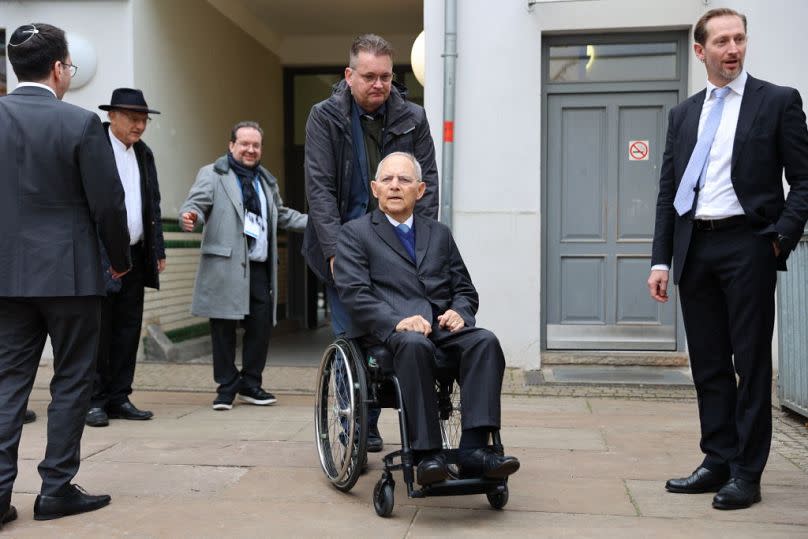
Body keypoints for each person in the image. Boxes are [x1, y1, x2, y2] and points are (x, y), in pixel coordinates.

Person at [648, 8, 808, 510]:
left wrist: (780, 236)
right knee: (710, 364)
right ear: (701, 51)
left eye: (739, 39)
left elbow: (803, 180)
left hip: (749, 245)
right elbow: (669, 189)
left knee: (751, 363)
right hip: (695, 247)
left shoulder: (778, 102)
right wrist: (660, 259)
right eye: (721, 41)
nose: (732, 48)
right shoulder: (684, 114)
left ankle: (747, 472)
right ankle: (716, 458)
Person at [0, 23, 131, 526]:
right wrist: (118, 260)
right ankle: (55, 489)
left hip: (7, 276)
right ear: (59, 69)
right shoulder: (78, 124)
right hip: (71, 276)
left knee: (8, 382)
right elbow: (108, 204)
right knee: (73, 379)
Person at [335, 152, 520, 485]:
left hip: (439, 330)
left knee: (484, 342)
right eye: (388, 180)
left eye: (404, 180)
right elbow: (354, 294)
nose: (395, 186)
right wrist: (397, 321)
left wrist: (459, 312)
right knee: (413, 344)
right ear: (375, 188)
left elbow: (465, 290)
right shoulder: (355, 234)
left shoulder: (439, 234)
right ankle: (426, 455)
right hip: (388, 335)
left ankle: (475, 450)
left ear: (419, 190)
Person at [302, 34, 439, 452]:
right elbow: (320, 189)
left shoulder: (413, 117)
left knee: (397, 332)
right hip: (346, 244)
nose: (378, 84)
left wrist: (423, 246)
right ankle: (359, 420)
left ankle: (395, 413)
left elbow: (427, 186)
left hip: (397, 246)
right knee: (353, 334)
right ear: (349, 76)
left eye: (384, 76)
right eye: (368, 76)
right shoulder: (324, 117)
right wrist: (332, 251)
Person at [180, 121, 307, 411]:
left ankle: (251, 384)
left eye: (256, 145)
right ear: (231, 145)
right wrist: (190, 216)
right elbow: (196, 205)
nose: (251, 150)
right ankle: (226, 387)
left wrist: (318, 223)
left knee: (260, 328)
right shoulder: (213, 174)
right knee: (223, 327)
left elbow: (282, 215)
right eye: (245, 144)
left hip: (260, 266)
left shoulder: (266, 181)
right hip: (225, 265)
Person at [86, 88, 166, 428]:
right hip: (100, 255)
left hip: (135, 254)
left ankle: (119, 396)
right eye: (134, 119)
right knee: (99, 330)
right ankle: (94, 400)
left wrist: (157, 248)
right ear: (112, 116)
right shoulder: (93, 149)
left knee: (128, 328)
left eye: (144, 120)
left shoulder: (144, 154)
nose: (140, 126)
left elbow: (153, 203)